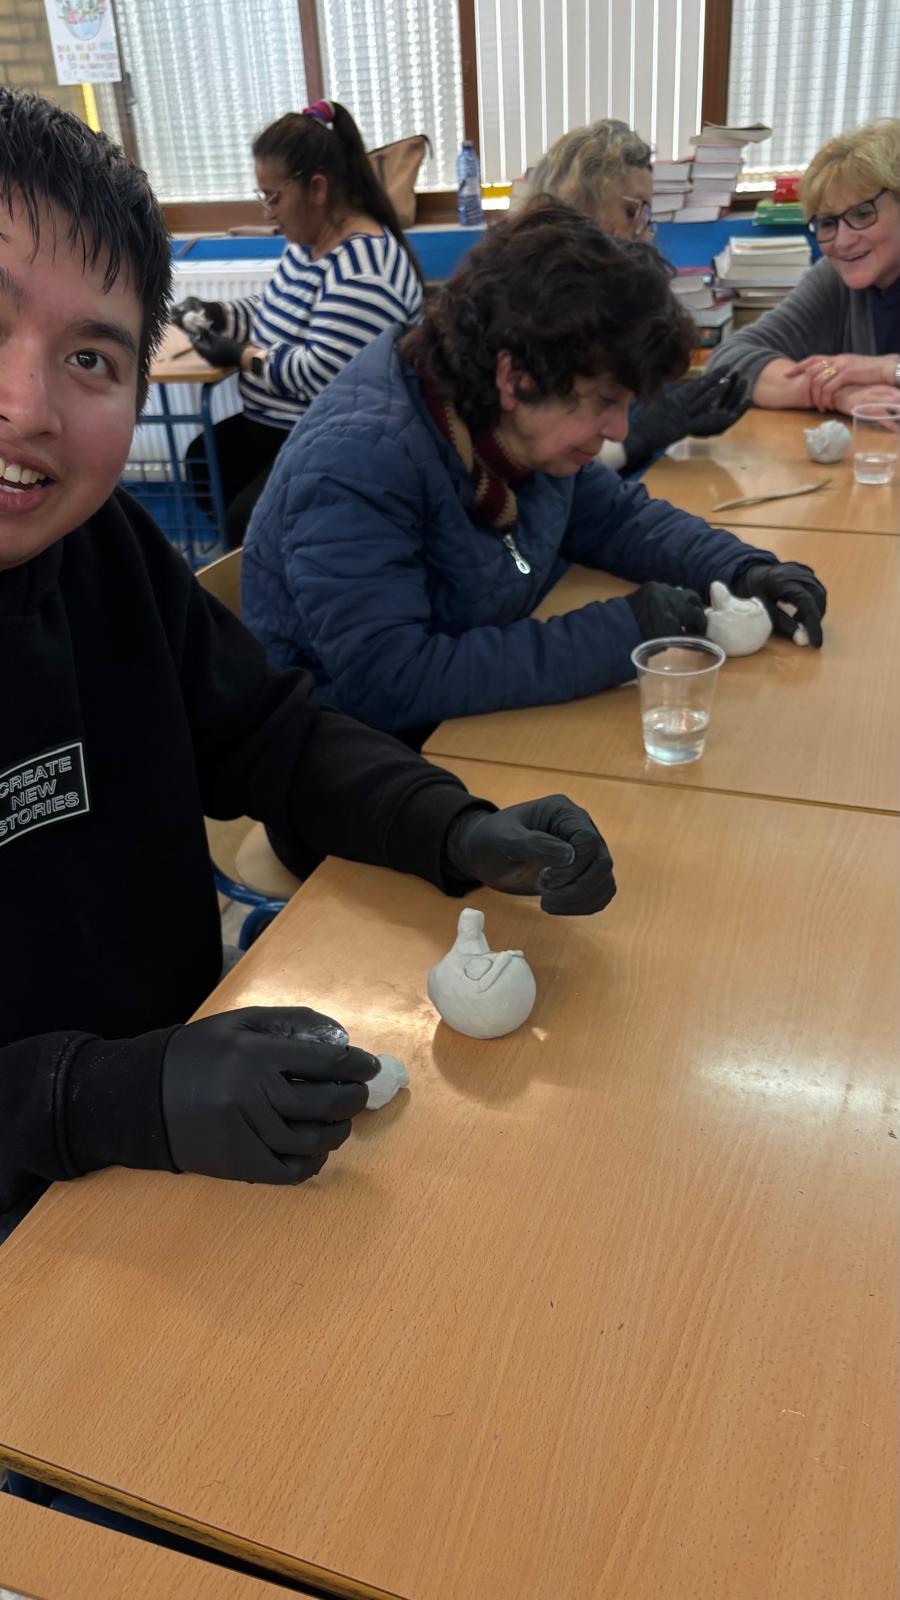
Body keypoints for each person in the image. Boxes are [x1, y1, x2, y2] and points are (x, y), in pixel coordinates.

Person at [0, 91, 618, 1234]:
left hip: (183, 1150)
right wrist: (108, 1097)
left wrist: (451, 826)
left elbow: (269, 736)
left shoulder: (105, 548)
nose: (27, 404)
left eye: (88, 355)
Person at [242, 204, 826, 745]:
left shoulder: (508, 427)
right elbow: (390, 679)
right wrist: (624, 631)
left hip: (465, 727)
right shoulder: (359, 464)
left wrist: (744, 570)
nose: (619, 430)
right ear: (515, 377)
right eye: (604, 401)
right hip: (361, 759)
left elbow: (615, 519)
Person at [173, 100, 423, 547]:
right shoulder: (307, 245)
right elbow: (274, 311)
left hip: (337, 439)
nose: (267, 211)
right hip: (282, 428)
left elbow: (321, 373)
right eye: (262, 196)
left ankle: (270, 563)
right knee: (203, 463)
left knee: (246, 521)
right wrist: (221, 314)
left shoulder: (362, 268)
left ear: (318, 188)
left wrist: (241, 357)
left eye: (274, 197)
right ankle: (266, 561)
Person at [517, 119, 749, 472]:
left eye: (647, 216)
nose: (645, 235)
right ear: (579, 205)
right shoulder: (533, 304)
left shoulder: (602, 300)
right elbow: (546, 465)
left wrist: (665, 408)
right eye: (632, 212)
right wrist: (642, 434)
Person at [707, 119, 900, 413]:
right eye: (827, 223)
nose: (843, 241)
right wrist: (832, 391)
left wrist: (887, 370)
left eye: (863, 214)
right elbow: (728, 361)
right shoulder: (835, 278)